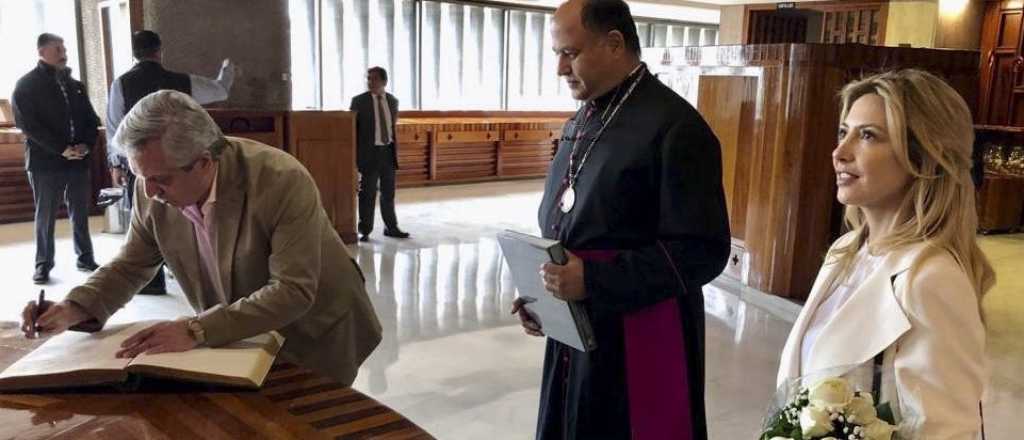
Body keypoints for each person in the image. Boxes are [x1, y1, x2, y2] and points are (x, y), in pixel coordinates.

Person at [21, 90, 382, 385]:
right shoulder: (153, 185)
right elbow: (130, 265)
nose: (149, 191)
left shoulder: (280, 179)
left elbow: (293, 290)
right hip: (242, 330)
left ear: (205, 162)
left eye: (161, 179)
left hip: (317, 328)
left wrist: (196, 329)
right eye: (139, 176)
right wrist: (74, 307)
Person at [510, 0, 730, 438]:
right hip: (576, 326)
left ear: (613, 44)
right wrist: (542, 296)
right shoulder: (585, 117)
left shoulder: (675, 127)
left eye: (570, 53)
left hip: (639, 336)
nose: (559, 68)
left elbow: (703, 250)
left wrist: (593, 280)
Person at [776, 69, 995, 439]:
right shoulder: (845, 250)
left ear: (923, 156)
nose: (840, 153)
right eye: (843, 132)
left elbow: (948, 431)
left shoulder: (932, 276)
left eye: (868, 136)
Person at [106, 30, 237, 295]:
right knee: (155, 223)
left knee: (156, 221)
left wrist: (116, 164)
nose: (149, 191)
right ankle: (176, 266)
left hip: (139, 164)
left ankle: (156, 280)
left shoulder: (120, 84)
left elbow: (112, 126)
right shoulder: (182, 81)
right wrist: (228, 70)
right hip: (157, 164)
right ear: (159, 51)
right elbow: (220, 90)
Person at [11, 33, 101, 284]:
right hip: (45, 163)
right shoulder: (26, 85)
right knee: (46, 214)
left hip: (78, 159)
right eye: (58, 48)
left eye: (64, 47)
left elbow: (91, 121)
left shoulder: (75, 85)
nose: (64, 52)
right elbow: (27, 125)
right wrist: (61, 148)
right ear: (41, 52)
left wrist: (86, 144)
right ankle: (43, 265)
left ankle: (85, 257)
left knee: (80, 211)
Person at [350, 67, 409, 242]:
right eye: (368, 78)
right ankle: (365, 229)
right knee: (367, 193)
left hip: (388, 152)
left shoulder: (392, 101)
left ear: (384, 81)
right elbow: (353, 130)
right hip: (369, 153)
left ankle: (391, 227)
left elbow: (391, 126)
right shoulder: (359, 101)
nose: (370, 82)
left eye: (374, 79)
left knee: (388, 192)